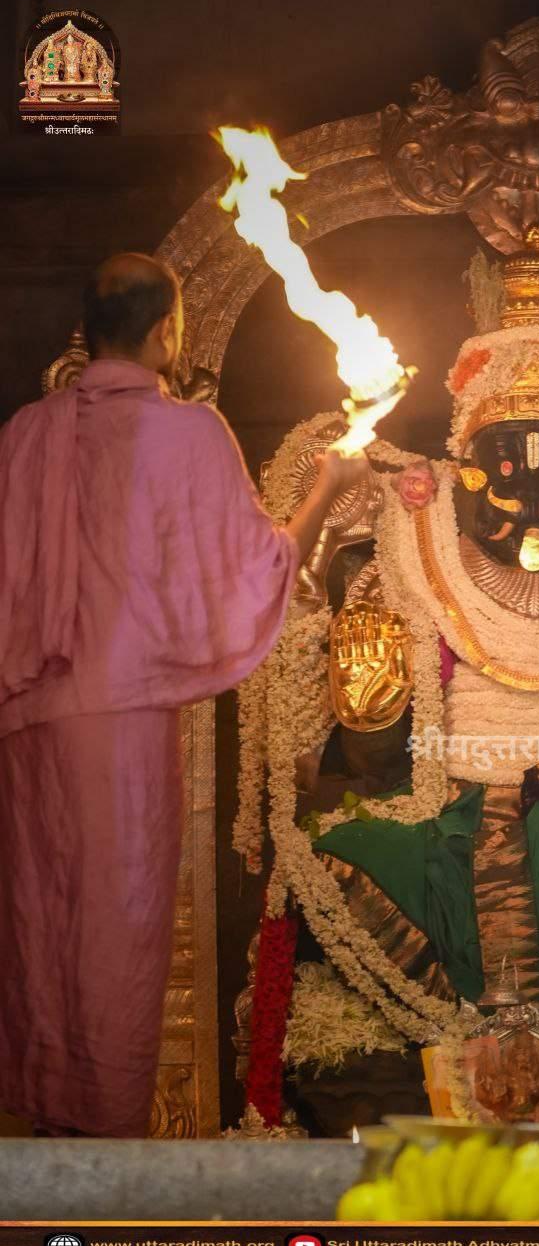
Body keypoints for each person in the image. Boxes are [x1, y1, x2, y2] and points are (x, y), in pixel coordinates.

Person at [0, 252, 361, 1137]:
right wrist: (330, 487)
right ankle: (106, 1145)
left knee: (36, 919)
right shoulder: (188, 431)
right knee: (117, 930)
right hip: (119, 721)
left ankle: (44, 1137)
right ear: (168, 332)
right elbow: (259, 565)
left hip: (24, 716)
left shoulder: (25, 431)